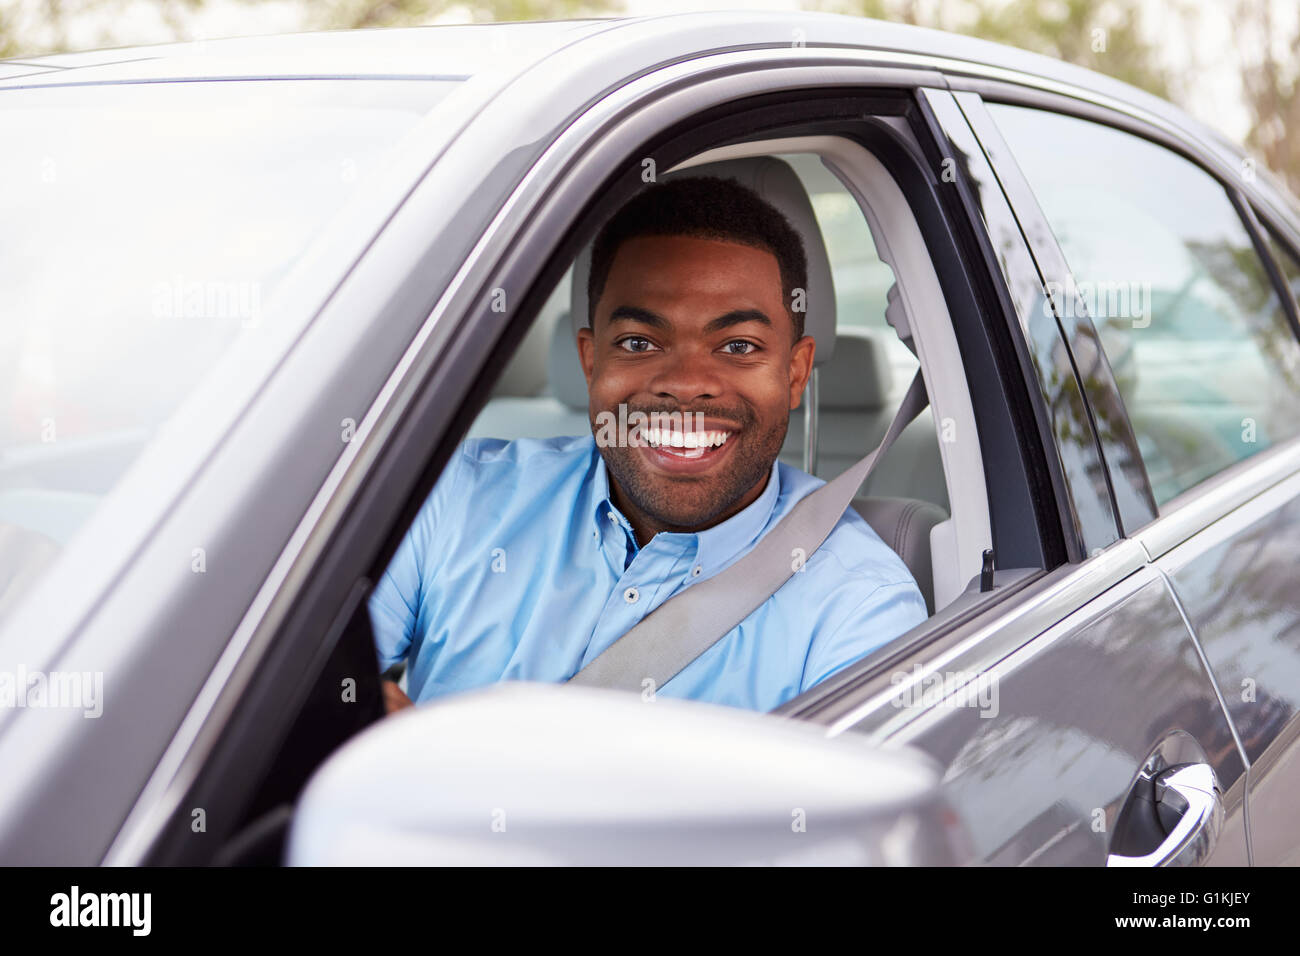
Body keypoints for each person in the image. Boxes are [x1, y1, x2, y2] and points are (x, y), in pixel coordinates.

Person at [370, 175, 927, 714]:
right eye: (639, 341)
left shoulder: (859, 607)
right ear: (591, 361)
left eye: (737, 345)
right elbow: (307, 677)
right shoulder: (454, 497)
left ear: (795, 373)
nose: (685, 385)